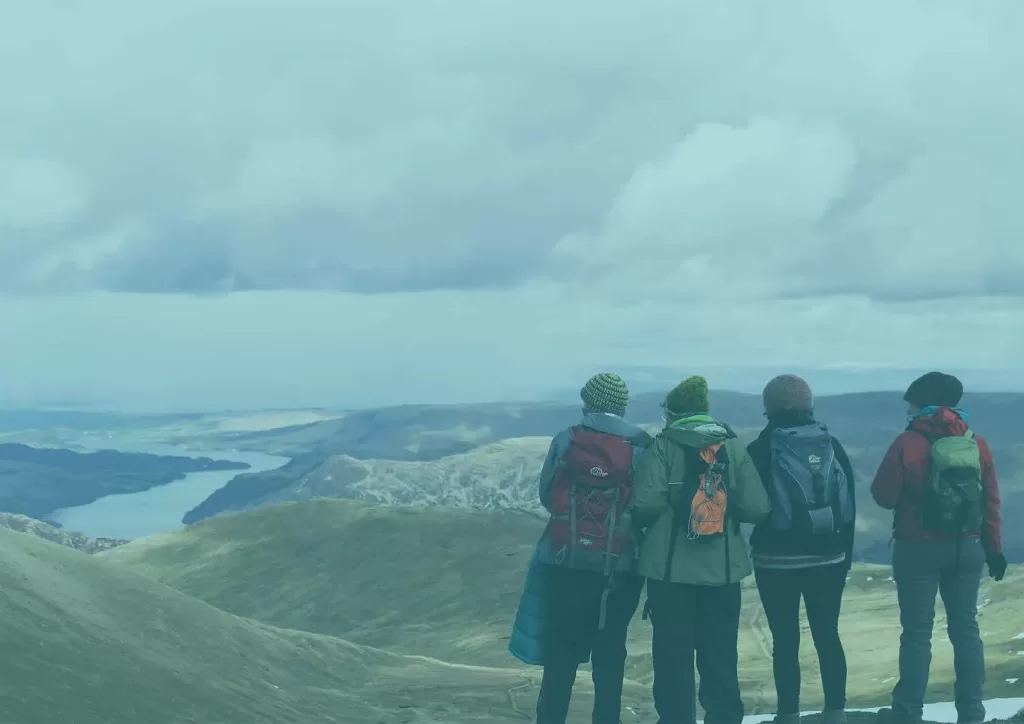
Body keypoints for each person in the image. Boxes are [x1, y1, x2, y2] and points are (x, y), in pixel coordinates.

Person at [630, 375, 770, 724]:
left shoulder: (662, 447)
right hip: (722, 573)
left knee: (672, 656)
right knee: (720, 654)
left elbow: (644, 504)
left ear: (673, 413)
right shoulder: (732, 447)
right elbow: (758, 508)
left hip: (669, 573)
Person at [871, 372, 1007, 724]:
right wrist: (994, 549)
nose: (909, 408)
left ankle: (907, 713)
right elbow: (991, 500)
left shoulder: (908, 441)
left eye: (911, 402)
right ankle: (972, 713)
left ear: (923, 402)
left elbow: (884, 496)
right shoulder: (976, 443)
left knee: (916, 632)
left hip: (916, 547)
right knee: (966, 629)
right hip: (968, 545)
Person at [532, 372, 654, 724]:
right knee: (610, 651)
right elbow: (646, 506)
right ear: (622, 406)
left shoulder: (567, 439)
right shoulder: (643, 445)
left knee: (560, 654)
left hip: (564, 561)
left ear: (587, 402)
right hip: (619, 566)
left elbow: (547, 495)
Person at [746, 375, 857, 724]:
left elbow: (749, 507)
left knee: (784, 638)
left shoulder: (760, 450)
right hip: (829, 557)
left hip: (775, 561)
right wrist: (845, 557)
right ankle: (836, 711)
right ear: (810, 406)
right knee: (828, 633)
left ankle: (788, 714)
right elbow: (848, 507)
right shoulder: (832, 445)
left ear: (769, 408)